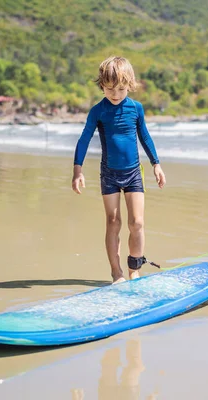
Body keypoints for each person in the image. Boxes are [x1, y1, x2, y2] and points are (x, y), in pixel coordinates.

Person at [72, 56, 166, 284]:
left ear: (130, 85)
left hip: (133, 173)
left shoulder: (136, 108)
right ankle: (116, 273)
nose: (116, 94)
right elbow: (85, 138)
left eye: (122, 89)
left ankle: (134, 268)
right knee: (113, 222)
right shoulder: (98, 111)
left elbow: (144, 136)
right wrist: (78, 171)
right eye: (110, 89)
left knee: (137, 223)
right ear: (102, 85)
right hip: (109, 174)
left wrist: (156, 164)